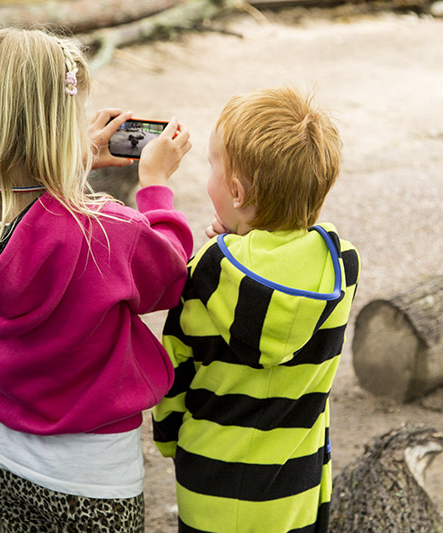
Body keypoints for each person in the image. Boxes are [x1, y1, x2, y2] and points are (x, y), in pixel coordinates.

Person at [0, 27, 193, 532]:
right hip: (91, 472)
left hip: (1, 452)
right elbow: (170, 272)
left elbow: (8, 195)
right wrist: (155, 188)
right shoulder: (105, 233)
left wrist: (73, 160)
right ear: (63, 125)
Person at [151, 86, 361, 532]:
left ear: (237, 192)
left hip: (210, 489)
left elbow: (173, 376)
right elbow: (284, 267)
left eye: (211, 165)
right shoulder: (343, 264)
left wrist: (226, 250)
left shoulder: (202, 274)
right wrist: (244, 240)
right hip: (296, 492)